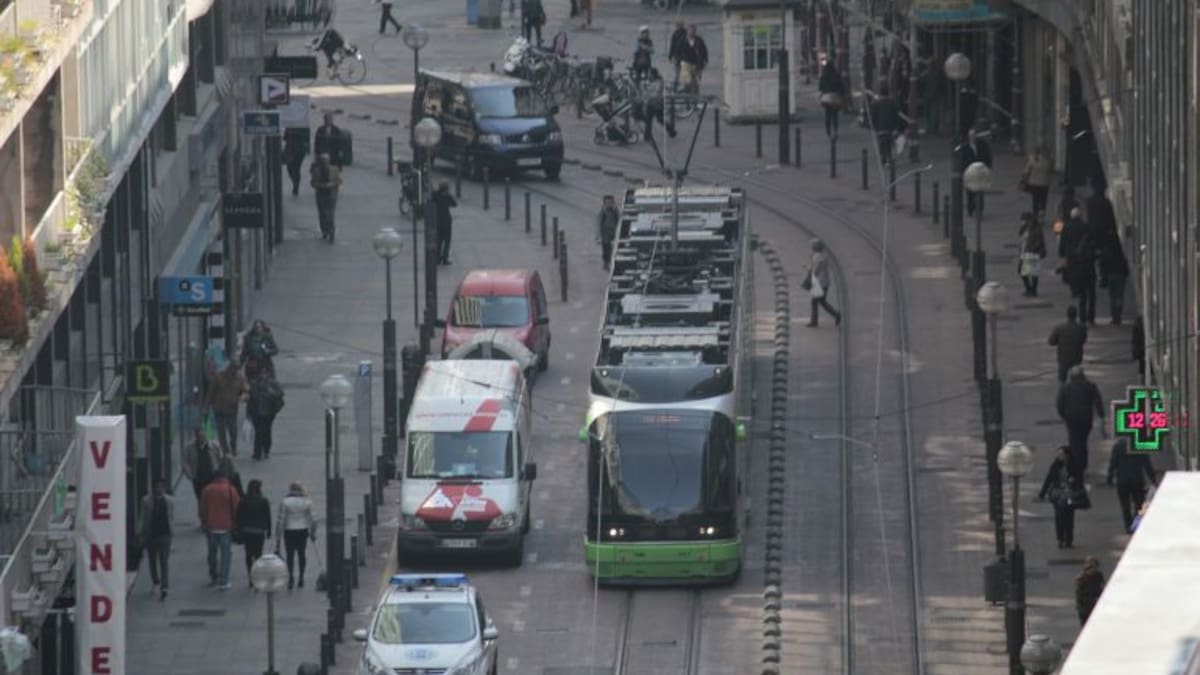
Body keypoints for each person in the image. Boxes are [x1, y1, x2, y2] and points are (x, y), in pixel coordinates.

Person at [1056, 365, 1106, 481]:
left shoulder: (1065, 388)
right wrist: (1101, 415)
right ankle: (1082, 466)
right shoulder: (1090, 386)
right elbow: (1098, 401)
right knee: (1082, 442)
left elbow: (1059, 403)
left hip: (1071, 419)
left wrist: (1063, 415)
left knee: (1074, 443)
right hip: (1086, 419)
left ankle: (1075, 468)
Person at [199, 471, 240, 590]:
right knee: (226, 555)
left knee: (212, 553)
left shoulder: (207, 490)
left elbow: (202, 508)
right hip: (226, 527)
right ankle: (224, 580)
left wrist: (204, 521)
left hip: (211, 526)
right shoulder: (230, 490)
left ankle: (213, 575)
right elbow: (237, 508)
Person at [1106, 438, 1157, 533]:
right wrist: (1153, 479)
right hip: (1137, 480)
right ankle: (1135, 524)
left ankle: (1128, 526)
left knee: (1125, 506)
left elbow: (1113, 463)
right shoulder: (1139, 445)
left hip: (1122, 481)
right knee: (1139, 504)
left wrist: (1109, 477)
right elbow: (1147, 464)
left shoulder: (1118, 446)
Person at [1059, 206, 1097, 324]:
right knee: (1091, 294)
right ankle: (1091, 317)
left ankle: (1082, 318)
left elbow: (1062, 243)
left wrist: (1062, 255)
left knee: (1082, 295)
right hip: (1088, 265)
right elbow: (1093, 242)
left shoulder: (1067, 226)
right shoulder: (1086, 226)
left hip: (1073, 260)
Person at [276, 482, 317, 590]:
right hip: (302, 530)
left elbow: (281, 519)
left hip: (289, 530)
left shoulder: (285, 502)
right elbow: (313, 519)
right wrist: (313, 532)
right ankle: (301, 577)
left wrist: (278, 535)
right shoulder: (307, 501)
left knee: (290, 555)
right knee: (301, 553)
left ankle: (291, 577)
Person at [138, 480, 174, 600]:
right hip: (151, 534)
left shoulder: (169, 501)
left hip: (165, 535)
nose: (159, 489)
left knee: (164, 561)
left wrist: (171, 531)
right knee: (152, 560)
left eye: (161, 487)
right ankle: (155, 580)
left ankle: (164, 587)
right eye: (157, 487)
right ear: (153, 488)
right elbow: (142, 517)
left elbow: (171, 516)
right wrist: (140, 533)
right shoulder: (146, 500)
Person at [235, 479, 272, 588]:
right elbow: (267, 517)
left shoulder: (244, 500)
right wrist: (269, 530)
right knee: (258, 555)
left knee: (248, 555)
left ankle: (251, 577)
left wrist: (239, 530)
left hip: (247, 531)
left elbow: (239, 517)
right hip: (259, 532)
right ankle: (258, 576)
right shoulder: (263, 500)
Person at [1038, 446, 1076, 549]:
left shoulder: (1073, 465)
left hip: (1069, 495)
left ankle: (1069, 539)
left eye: (1061, 454)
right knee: (1059, 517)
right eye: (1058, 454)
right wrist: (1042, 493)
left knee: (1069, 518)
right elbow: (1049, 478)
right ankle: (1060, 539)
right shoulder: (1055, 465)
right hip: (1058, 495)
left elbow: (1078, 479)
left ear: (1067, 455)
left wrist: (1074, 481)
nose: (1059, 456)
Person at [206, 362, 247, 456]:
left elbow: (244, 390)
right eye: (231, 370)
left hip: (232, 409)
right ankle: (225, 450)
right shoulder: (218, 377)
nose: (233, 373)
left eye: (235, 371)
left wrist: (243, 397)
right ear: (228, 369)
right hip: (219, 409)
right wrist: (207, 406)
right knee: (221, 432)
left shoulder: (240, 378)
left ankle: (233, 446)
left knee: (233, 431)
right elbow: (210, 393)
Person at [247, 371, 285, 460]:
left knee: (266, 431)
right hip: (257, 413)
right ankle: (257, 453)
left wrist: (271, 392)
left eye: (264, 373)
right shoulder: (254, 383)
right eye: (261, 373)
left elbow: (281, 393)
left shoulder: (273, 382)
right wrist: (248, 413)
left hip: (269, 413)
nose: (262, 375)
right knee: (258, 432)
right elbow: (249, 398)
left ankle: (266, 449)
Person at [182, 430, 220, 518]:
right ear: (196, 437)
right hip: (198, 478)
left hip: (211, 477)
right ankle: (203, 518)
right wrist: (189, 474)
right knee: (200, 499)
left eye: (203, 436)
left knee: (211, 498)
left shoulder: (214, 446)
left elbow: (219, 459)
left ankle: (210, 517)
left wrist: (218, 471)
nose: (202, 439)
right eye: (199, 437)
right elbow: (185, 462)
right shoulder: (189, 447)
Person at [806, 240, 842, 327]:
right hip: (825, 282)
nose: (811, 248)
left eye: (812, 246)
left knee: (815, 302)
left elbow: (815, 271)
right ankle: (835, 314)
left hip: (819, 283)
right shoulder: (824, 256)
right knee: (821, 301)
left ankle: (815, 321)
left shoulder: (816, 257)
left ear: (815, 247)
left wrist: (808, 269)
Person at [1047, 305, 1087, 383]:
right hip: (1077, 357)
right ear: (1076, 315)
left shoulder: (1059, 328)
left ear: (1067, 314)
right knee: (1077, 379)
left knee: (1062, 380)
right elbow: (1083, 340)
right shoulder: (1081, 328)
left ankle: (1062, 394)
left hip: (1063, 358)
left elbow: (1051, 342)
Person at [310, 153, 342, 242]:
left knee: (330, 215)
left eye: (326, 161)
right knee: (322, 214)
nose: (325, 164)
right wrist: (321, 186)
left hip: (331, 195)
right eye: (323, 162)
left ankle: (331, 233)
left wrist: (332, 185)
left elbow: (339, 181)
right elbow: (313, 183)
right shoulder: (316, 171)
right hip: (321, 195)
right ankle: (324, 231)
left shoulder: (334, 169)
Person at [962, 128, 993, 217]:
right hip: (970, 173)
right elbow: (963, 160)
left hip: (980, 172)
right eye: (970, 136)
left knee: (980, 191)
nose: (972, 137)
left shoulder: (982, 145)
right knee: (970, 192)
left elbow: (988, 157)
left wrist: (988, 168)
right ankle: (970, 209)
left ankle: (979, 209)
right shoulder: (965, 147)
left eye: (973, 135)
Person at [867, 85, 901, 166]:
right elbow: (897, 116)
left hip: (880, 128)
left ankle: (883, 158)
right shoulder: (892, 103)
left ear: (880, 93)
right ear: (888, 93)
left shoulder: (875, 104)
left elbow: (873, 117)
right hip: (890, 128)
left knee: (882, 144)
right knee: (889, 144)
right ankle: (889, 158)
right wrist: (896, 127)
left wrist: (873, 126)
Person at [1018, 212, 1047, 297]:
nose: (1022, 222)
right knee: (1022, 272)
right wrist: (1023, 227)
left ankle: (1033, 290)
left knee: (1032, 273)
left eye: (1023, 220)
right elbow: (1020, 234)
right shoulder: (1026, 228)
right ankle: (1029, 288)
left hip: (1032, 253)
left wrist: (1031, 249)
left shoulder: (1037, 229)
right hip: (1024, 253)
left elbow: (1039, 241)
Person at [1022, 145, 1053, 217]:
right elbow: (1051, 171)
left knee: (1035, 200)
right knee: (1043, 200)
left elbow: (1026, 172)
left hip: (1033, 184)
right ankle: (1042, 213)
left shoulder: (1032, 160)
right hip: (1045, 184)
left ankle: (1035, 215)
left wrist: (1024, 181)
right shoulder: (1049, 160)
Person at [818, 60, 846, 139]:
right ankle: (835, 131)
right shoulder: (837, 75)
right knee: (835, 115)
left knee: (827, 115)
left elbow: (820, 87)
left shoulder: (824, 75)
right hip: (835, 97)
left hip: (826, 97)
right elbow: (841, 86)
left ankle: (828, 132)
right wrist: (842, 95)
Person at [677, 25, 708, 94]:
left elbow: (704, 51)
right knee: (688, 81)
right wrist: (678, 61)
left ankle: (695, 99)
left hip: (696, 64)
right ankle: (687, 96)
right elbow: (677, 51)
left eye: (694, 31)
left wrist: (705, 60)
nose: (692, 32)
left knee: (696, 83)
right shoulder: (682, 40)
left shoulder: (699, 40)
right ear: (688, 31)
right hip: (686, 63)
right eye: (691, 30)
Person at [1075, 557, 1106, 626]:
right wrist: (1094, 600)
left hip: (1097, 608)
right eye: (1091, 567)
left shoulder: (1099, 576)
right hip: (1086, 610)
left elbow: (1102, 587)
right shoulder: (1081, 579)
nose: (1094, 569)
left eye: (1096, 567)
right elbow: (1080, 597)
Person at [433, 180, 457, 265]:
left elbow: (432, 198)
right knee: (447, 241)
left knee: (439, 240)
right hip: (446, 221)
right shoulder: (448, 196)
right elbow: (454, 204)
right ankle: (445, 258)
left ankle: (437, 258)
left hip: (438, 220)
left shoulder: (435, 194)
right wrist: (449, 195)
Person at [597, 195, 620, 269]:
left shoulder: (615, 211)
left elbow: (620, 219)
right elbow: (599, 224)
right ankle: (606, 263)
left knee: (614, 249)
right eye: (607, 202)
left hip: (614, 233)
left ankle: (612, 262)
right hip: (605, 234)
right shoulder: (602, 212)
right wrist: (599, 236)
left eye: (610, 202)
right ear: (604, 203)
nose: (609, 204)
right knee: (606, 249)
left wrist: (616, 209)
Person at [667, 22, 687, 89]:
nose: (679, 26)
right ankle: (676, 84)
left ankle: (685, 85)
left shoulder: (685, 33)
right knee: (677, 72)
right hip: (677, 56)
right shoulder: (675, 34)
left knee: (684, 71)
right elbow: (672, 46)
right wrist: (670, 56)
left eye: (680, 25)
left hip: (684, 56)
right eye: (678, 25)